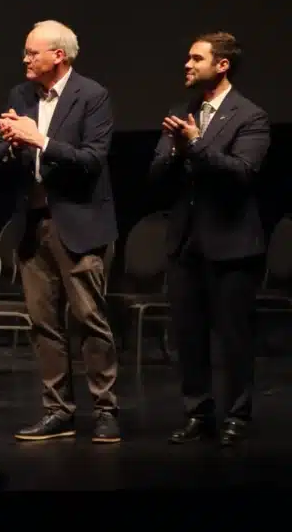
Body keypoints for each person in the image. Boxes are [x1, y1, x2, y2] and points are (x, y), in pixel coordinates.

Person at [0, 20, 120, 444]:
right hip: (34, 223)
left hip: (79, 223)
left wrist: (39, 139)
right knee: (43, 323)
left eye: (33, 53)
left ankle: (105, 411)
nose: (25, 59)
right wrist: (10, 142)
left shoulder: (92, 96)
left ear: (58, 56)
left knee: (89, 319)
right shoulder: (21, 95)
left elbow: (91, 161)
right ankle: (57, 411)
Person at [148, 32, 269, 447]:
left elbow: (241, 173)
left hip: (232, 245)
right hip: (186, 243)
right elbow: (155, 176)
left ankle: (238, 415)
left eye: (195, 58)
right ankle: (199, 413)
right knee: (189, 337)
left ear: (222, 65)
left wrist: (196, 145)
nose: (186, 64)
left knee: (234, 337)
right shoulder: (180, 111)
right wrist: (179, 152)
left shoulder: (250, 116)